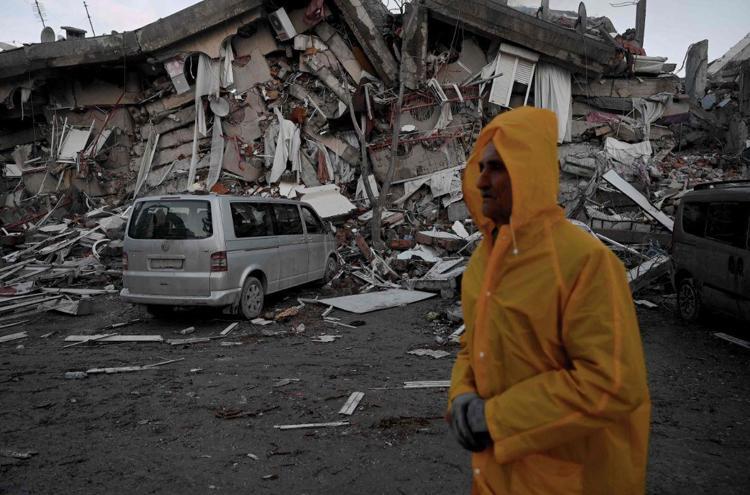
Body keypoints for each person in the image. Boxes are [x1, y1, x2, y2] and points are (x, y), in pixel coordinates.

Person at [447, 107, 650, 494]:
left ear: (529, 173)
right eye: (481, 167)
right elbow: (473, 345)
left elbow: (612, 382)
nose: (482, 180)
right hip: (496, 477)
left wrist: (495, 419)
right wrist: (461, 396)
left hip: (570, 481)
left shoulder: (584, 263)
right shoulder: (482, 262)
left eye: (497, 168)